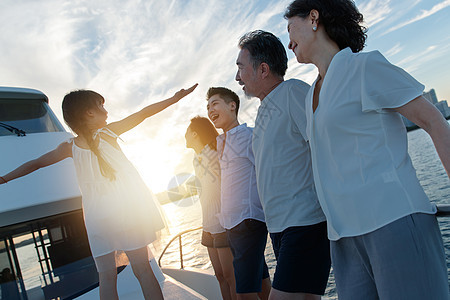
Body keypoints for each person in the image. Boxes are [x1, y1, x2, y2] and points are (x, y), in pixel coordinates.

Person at [284, 1, 450, 299]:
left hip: (393, 222)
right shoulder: (310, 95)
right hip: (343, 239)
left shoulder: (364, 67)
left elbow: (433, 120)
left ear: (313, 17)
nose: (288, 40)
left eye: (289, 27)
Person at [0, 83, 197, 300]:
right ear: (89, 113)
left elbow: (36, 163)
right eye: (101, 105)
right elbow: (143, 113)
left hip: (96, 218)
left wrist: (4, 178)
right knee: (143, 270)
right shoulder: (108, 133)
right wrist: (175, 98)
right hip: (125, 212)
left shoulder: (69, 147)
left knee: (107, 278)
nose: (106, 110)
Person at [235, 30, 330, 300]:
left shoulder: (293, 93)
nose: (237, 77)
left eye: (241, 68)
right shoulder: (266, 108)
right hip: (280, 228)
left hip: (306, 224)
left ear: (263, 69)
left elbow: (325, 145)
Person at [206, 87, 271, 300]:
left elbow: (267, 172)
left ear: (232, 105)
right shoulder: (220, 142)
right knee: (261, 283)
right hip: (231, 223)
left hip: (248, 220)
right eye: (208, 106)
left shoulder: (248, 136)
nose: (210, 109)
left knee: (244, 293)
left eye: (215, 103)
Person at [184, 116, 237, 300]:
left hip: (222, 223)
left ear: (196, 134)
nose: (185, 135)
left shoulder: (215, 154)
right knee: (220, 277)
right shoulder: (196, 159)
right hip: (207, 225)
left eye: (187, 132)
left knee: (231, 277)